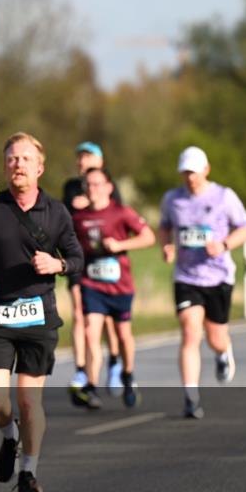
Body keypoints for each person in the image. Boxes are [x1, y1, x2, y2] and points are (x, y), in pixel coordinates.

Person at [0, 132, 83, 492]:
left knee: (30, 402)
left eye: (26, 159)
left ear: (39, 167)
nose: (18, 164)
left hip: (37, 316)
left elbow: (77, 258)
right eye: (12, 158)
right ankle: (9, 436)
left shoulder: (57, 212)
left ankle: (28, 472)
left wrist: (57, 263)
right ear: (5, 165)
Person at [158, 146, 246, 419]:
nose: (190, 178)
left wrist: (223, 245)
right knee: (190, 331)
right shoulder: (172, 199)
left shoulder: (224, 196)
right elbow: (164, 226)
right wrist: (167, 247)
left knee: (216, 337)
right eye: (185, 173)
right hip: (187, 277)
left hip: (219, 276)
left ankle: (223, 353)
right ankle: (191, 395)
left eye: (195, 172)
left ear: (206, 170)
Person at [71, 168, 155, 409]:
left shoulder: (121, 212)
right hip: (92, 283)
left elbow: (148, 237)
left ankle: (128, 376)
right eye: (88, 185)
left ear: (108, 187)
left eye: (97, 184)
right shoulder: (79, 217)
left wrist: (120, 245)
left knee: (122, 335)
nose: (92, 189)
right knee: (90, 332)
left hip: (120, 286)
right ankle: (91, 386)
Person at [61, 142, 125, 404]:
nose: (81, 161)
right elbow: (64, 215)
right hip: (78, 256)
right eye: (79, 157)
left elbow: (116, 215)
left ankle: (114, 363)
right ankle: (81, 370)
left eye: (86, 156)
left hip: (105, 259)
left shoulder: (111, 185)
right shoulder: (70, 187)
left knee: (108, 319)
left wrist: (89, 200)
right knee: (80, 314)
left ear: (99, 159)